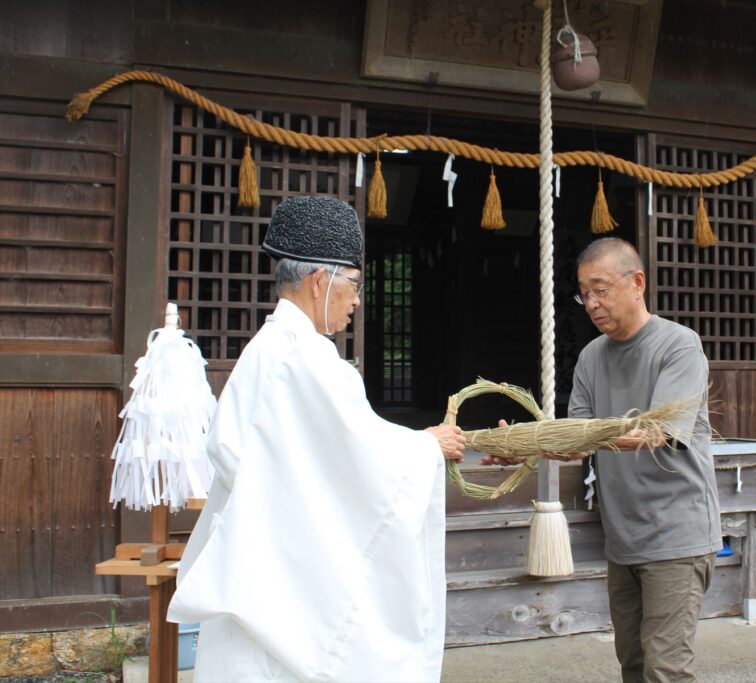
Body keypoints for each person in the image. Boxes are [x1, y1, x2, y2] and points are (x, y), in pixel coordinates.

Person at [168, 195, 465, 683]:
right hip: (284, 578)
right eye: (353, 285)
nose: (356, 300)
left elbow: (331, 455)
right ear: (319, 281)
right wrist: (427, 445)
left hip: (265, 564)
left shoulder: (270, 352)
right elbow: (359, 460)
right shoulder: (305, 361)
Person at [484, 237, 720, 682]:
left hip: (677, 534)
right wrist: (520, 447)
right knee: (632, 662)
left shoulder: (679, 346)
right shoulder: (592, 357)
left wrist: (586, 435)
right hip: (624, 536)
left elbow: (656, 432)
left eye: (600, 289)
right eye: (584, 293)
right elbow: (577, 443)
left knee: (666, 669)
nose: (591, 303)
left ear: (637, 283)